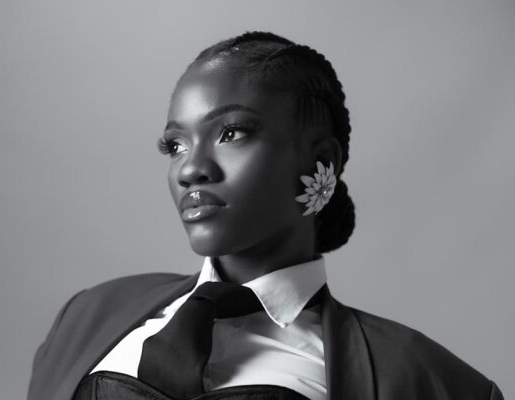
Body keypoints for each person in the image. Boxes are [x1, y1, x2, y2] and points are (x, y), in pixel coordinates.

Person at [27, 31, 504, 400]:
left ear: (322, 161)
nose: (192, 168)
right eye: (175, 145)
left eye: (231, 133)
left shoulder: (428, 381)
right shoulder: (89, 314)